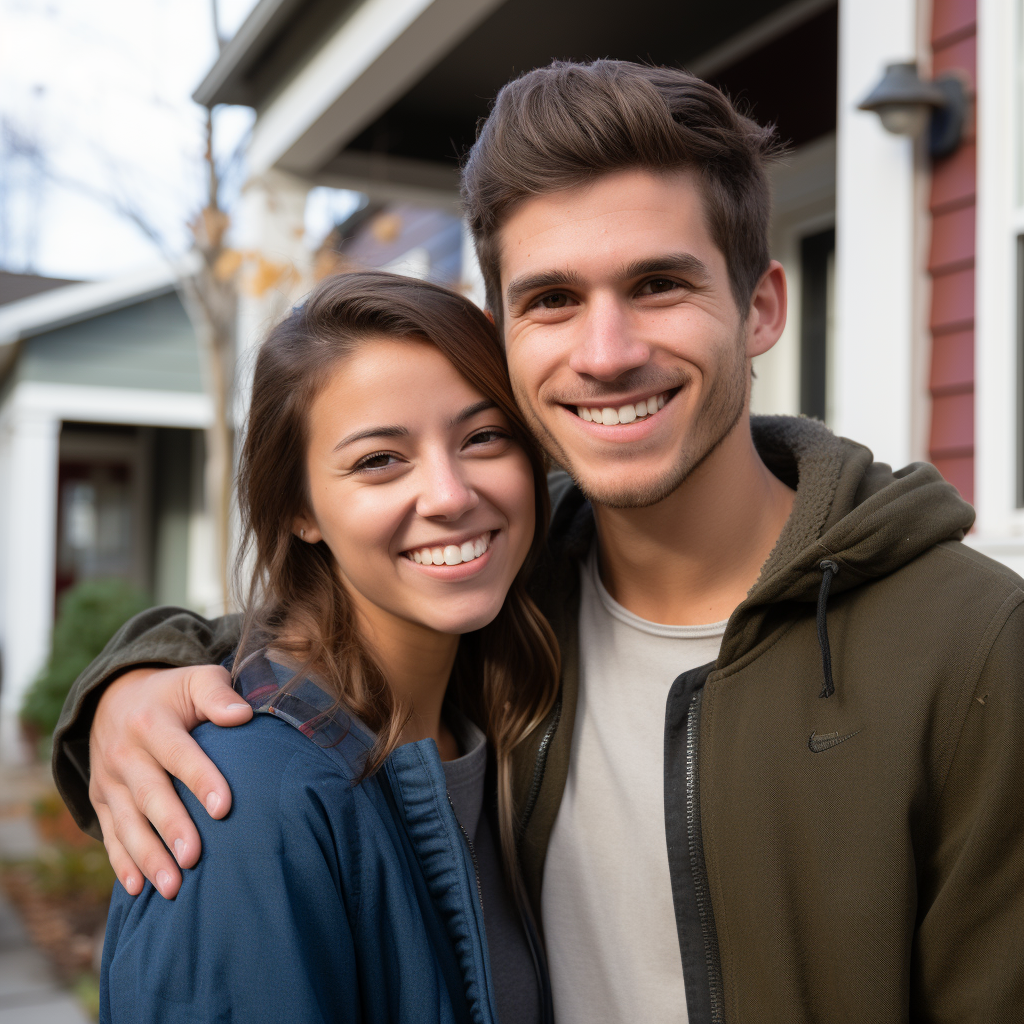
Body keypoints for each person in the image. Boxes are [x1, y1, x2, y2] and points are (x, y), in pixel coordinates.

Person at [58, 61, 1023, 1022]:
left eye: (657, 284)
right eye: (553, 298)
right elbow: (326, 635)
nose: (606, 354)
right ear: (503, 334)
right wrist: (138, 677)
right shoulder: (509, 597)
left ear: (760, 307)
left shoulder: (973, 646)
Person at [98, 271, 559, 1022]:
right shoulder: (248, 803)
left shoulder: (499, 706)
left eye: (483, 437)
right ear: (298, 510)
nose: (449, 494)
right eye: (380, 459)